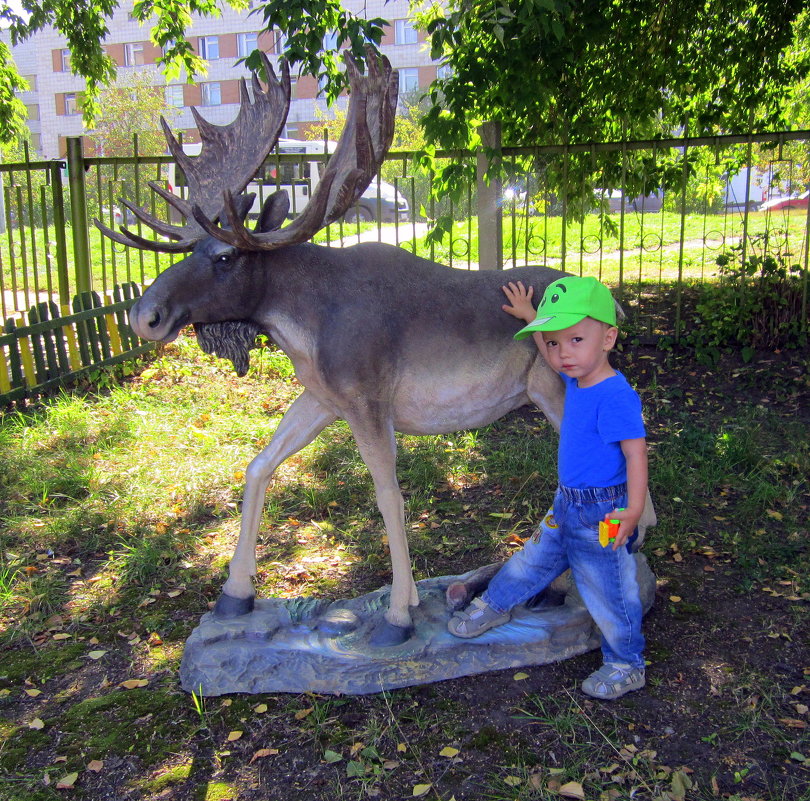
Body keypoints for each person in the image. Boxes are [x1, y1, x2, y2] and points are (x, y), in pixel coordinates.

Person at [447, 275, 649, 700]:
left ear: (608, 337)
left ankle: (626, 664)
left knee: (610, 586)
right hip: (568, 505)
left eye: (575, 340)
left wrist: (631, 512)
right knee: (532, 559)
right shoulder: (577, 377)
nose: (562, 354)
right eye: (555, 344)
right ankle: (495, 605)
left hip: (606, 514)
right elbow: (550, 348)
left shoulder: (615, 395)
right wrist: (532, 319)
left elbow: (636, 454)